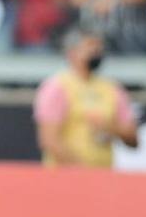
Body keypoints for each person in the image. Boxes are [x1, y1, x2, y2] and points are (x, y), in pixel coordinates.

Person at [33, 29, 138, 168]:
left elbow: (133, 139)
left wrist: (110, 127)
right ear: (72, 53)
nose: (96, 52)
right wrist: (82, 171)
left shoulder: (112, 88)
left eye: (99, 48)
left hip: (104, 176)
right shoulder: (57, 87)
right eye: (90, 47)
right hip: (63, 177)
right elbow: (49, 140)